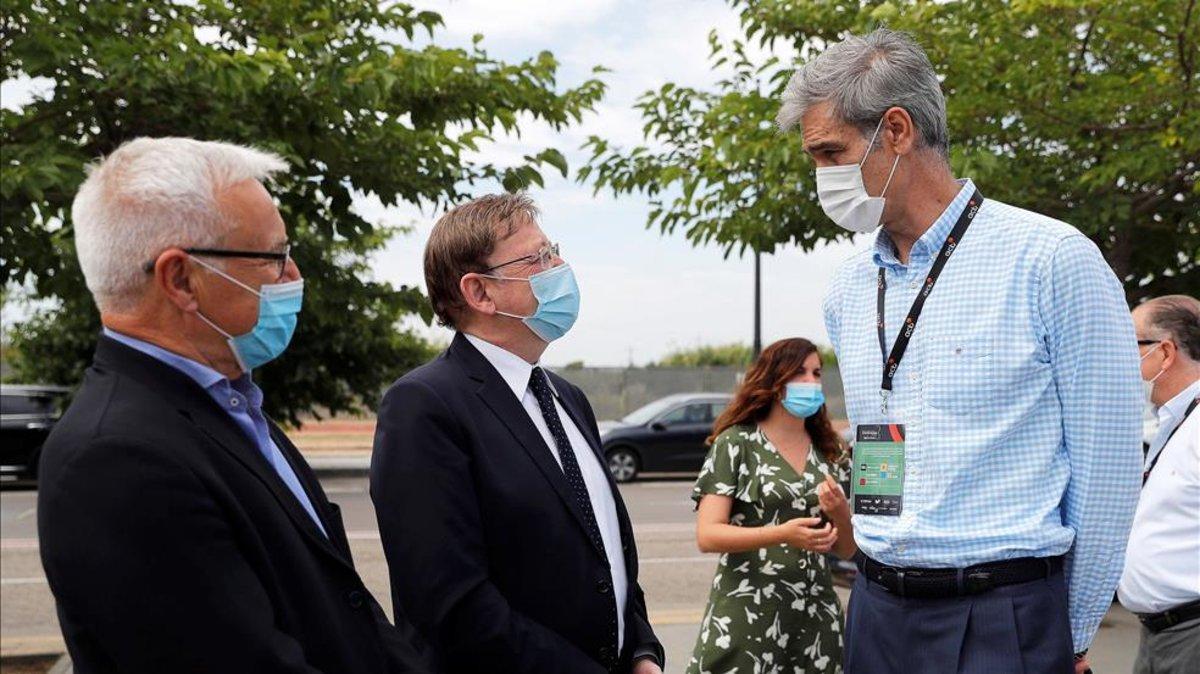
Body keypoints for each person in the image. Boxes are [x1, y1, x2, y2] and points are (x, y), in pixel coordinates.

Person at [777, 29, 1144, 674]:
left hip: (1003, 612)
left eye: (830, 153)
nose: (821, 178)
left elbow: (1107, 467)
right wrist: (876, 552)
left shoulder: (1050, 260)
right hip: (879, 609)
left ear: (896, 130)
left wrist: (1075, 628)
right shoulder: (851, 286)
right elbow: (881, 434)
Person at [37, 137, 433, 673]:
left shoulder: (230, 406)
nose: (293, 278)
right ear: (180, 279)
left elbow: (349, 610)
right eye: (275, 257)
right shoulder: (118, 459)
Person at [369, 193, 664, 674]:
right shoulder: (424, 406)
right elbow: (452, 605)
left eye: (555, 250)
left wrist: (642, 651)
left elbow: (605, 555)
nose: (560, 266)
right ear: (479, 292)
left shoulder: (568, 398)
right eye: (538, 258)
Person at [686, 338, 855, 674]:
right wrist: (781, 534)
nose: (811, 382)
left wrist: (837, 511)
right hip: (748, 613)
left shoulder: (831, 450)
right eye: (799, 373)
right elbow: (708, 535)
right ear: (774, 381)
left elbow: (848, 550)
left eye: (816, 373)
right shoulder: (736, 443)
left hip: (815, 618)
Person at [1118, 295, 1200, 674]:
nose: (1120, 360)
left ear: (1164, 352)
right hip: (1159, 635)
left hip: (1190, 635)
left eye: (1128, 345)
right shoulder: (1174, 419)